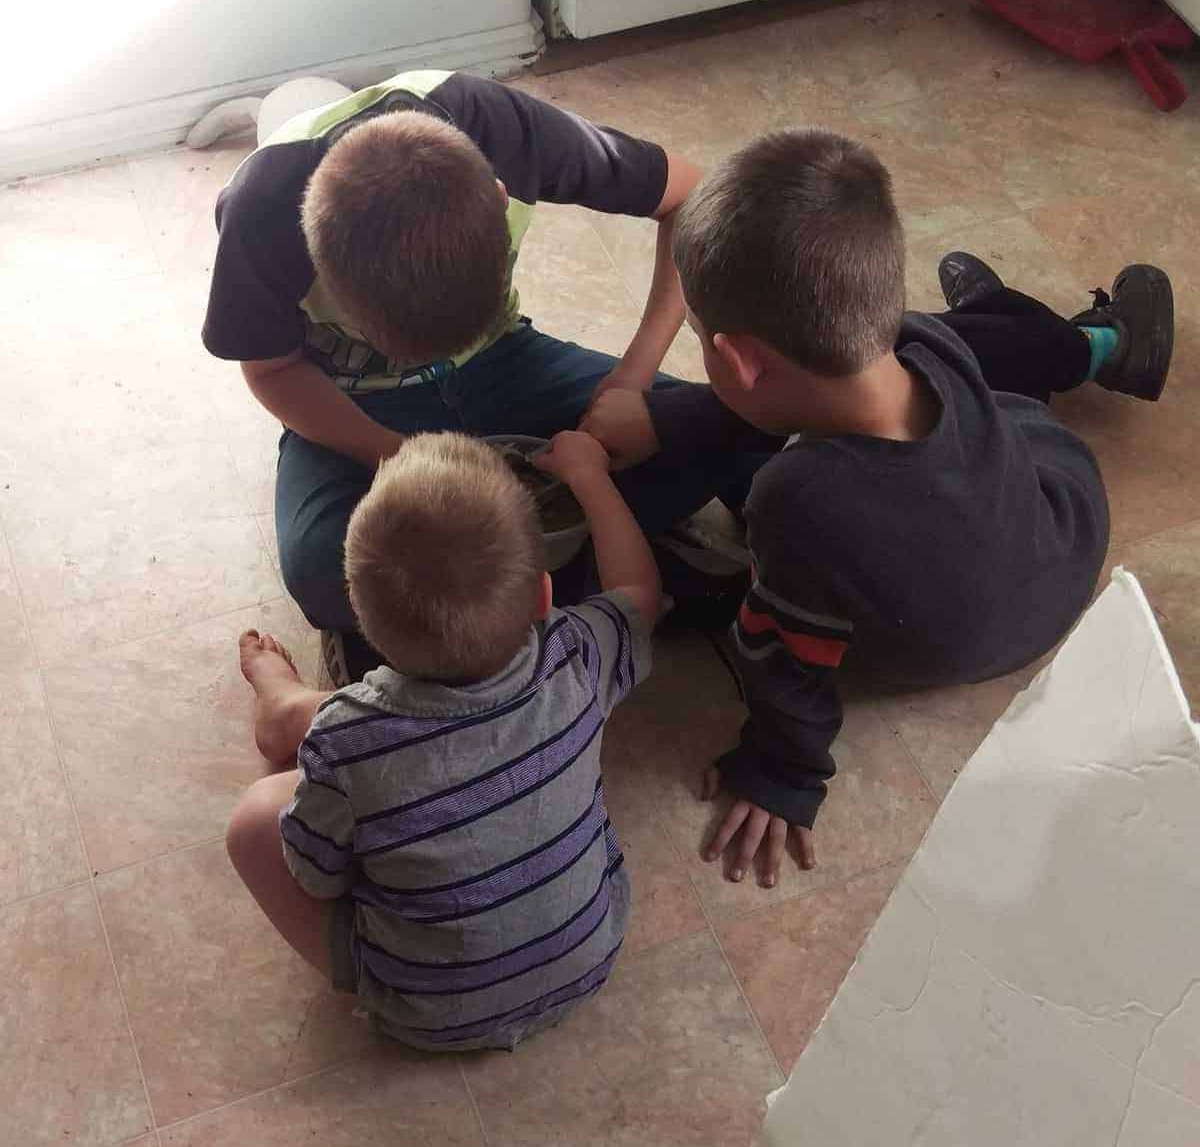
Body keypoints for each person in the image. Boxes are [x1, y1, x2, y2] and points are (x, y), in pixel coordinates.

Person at [580, 129, 1174, 889]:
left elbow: (784, 657)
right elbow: (760, 399)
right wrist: (666, 420)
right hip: (1060, 537)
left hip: (984, 600)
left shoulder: (797, 499)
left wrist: (782, 771)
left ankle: (1068, 334)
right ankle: (1057, 332)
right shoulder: (918, 340)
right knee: (977, 352)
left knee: (760, 458)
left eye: (700, 342)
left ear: (736, 358)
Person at [201, 69, 752, 681]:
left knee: (721, 426)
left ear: (498, 194)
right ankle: (614, 568)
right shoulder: (261, 212)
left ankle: (428, 630)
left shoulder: (505, 129)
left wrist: (633, 377)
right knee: (318, 569)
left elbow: (695, 198)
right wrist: (390, 452)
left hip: (506, 361)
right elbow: (273, 371)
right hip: (355, 402)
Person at [226, 428, 663, 1052]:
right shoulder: (578, 655)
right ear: (544, 595)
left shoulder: (346, 738)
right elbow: (641, 596)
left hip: (430, 1015)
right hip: (591, 953)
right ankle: (290, 708)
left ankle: (285, 707)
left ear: (362, 622)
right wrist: (590, 476)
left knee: (253, 820)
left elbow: (316, 876)